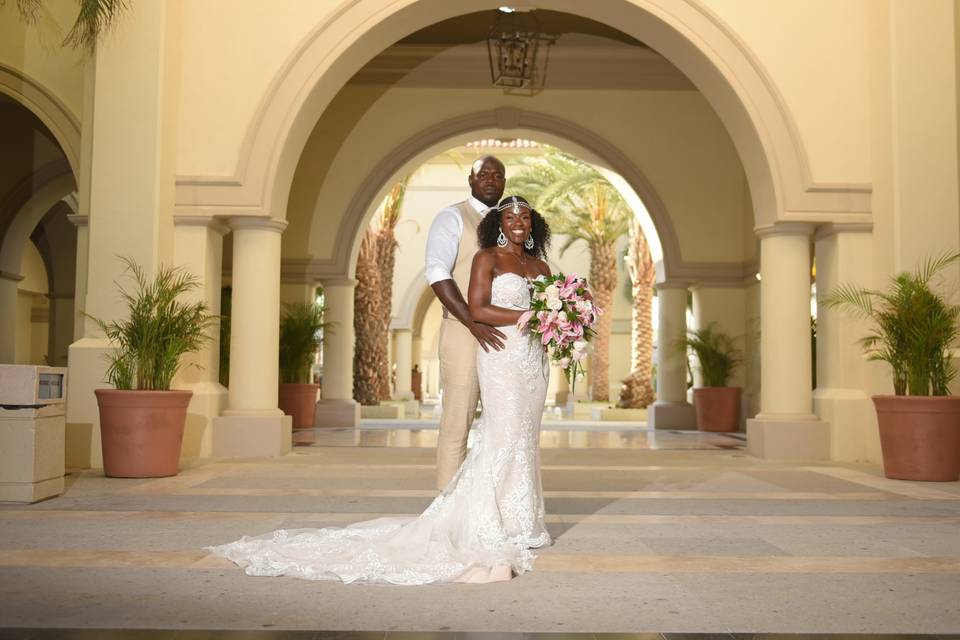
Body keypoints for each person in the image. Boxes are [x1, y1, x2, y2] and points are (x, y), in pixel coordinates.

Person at [206, 195, 553, 585]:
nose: (518, 223)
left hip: (534, 360)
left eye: (524, 217)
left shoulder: (539, 265)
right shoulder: (486, 258)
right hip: (501, 355)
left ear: (533, 223)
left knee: (526, 436)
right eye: (510, 217)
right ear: (500, 224)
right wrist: (530, 314)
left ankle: (525, 520)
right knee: (502, 434)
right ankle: (492, 519)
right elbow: (477, 308)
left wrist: (566, 315)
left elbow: (554, 305)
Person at [424, 156, 507, 490]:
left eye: (497, 175)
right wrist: (472, 321)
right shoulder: (451, 217)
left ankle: (489, 505)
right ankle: (445, 506)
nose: (490, 179)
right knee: (458, 421)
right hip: (464, 332)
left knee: (503, 423)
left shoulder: (512, 222)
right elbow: (437, 272)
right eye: (482, 174)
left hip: (506, 336)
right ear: (471, 180)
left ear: (504, 183)